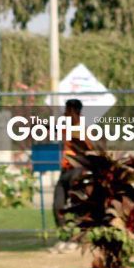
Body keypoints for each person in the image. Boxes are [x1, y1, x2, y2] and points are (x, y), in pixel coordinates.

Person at [52, 98, 84, 233]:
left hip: (78, 170)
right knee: (57, 206)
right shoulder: (66, 126)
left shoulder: (83, 127)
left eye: (67, 110)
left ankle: (79, 236)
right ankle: (65, 236)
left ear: (73, 111)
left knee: (77, 205)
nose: (64, 113)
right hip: (65, 170)